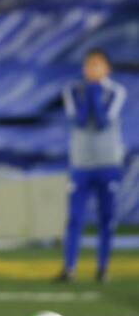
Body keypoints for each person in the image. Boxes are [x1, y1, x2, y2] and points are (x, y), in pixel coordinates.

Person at [56, 49, 127, 283]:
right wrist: (90, 92)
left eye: (98, 65)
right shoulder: (72, 90)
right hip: (81, 166)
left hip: (108, 165)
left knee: (106, 218)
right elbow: (79, 120)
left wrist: (95, 91)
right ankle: (69, 268)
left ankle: (103, 268)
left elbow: (103, 122)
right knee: (75, 218)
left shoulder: (117, 92)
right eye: (89, 65)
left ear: (107, 69)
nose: (93, 69)